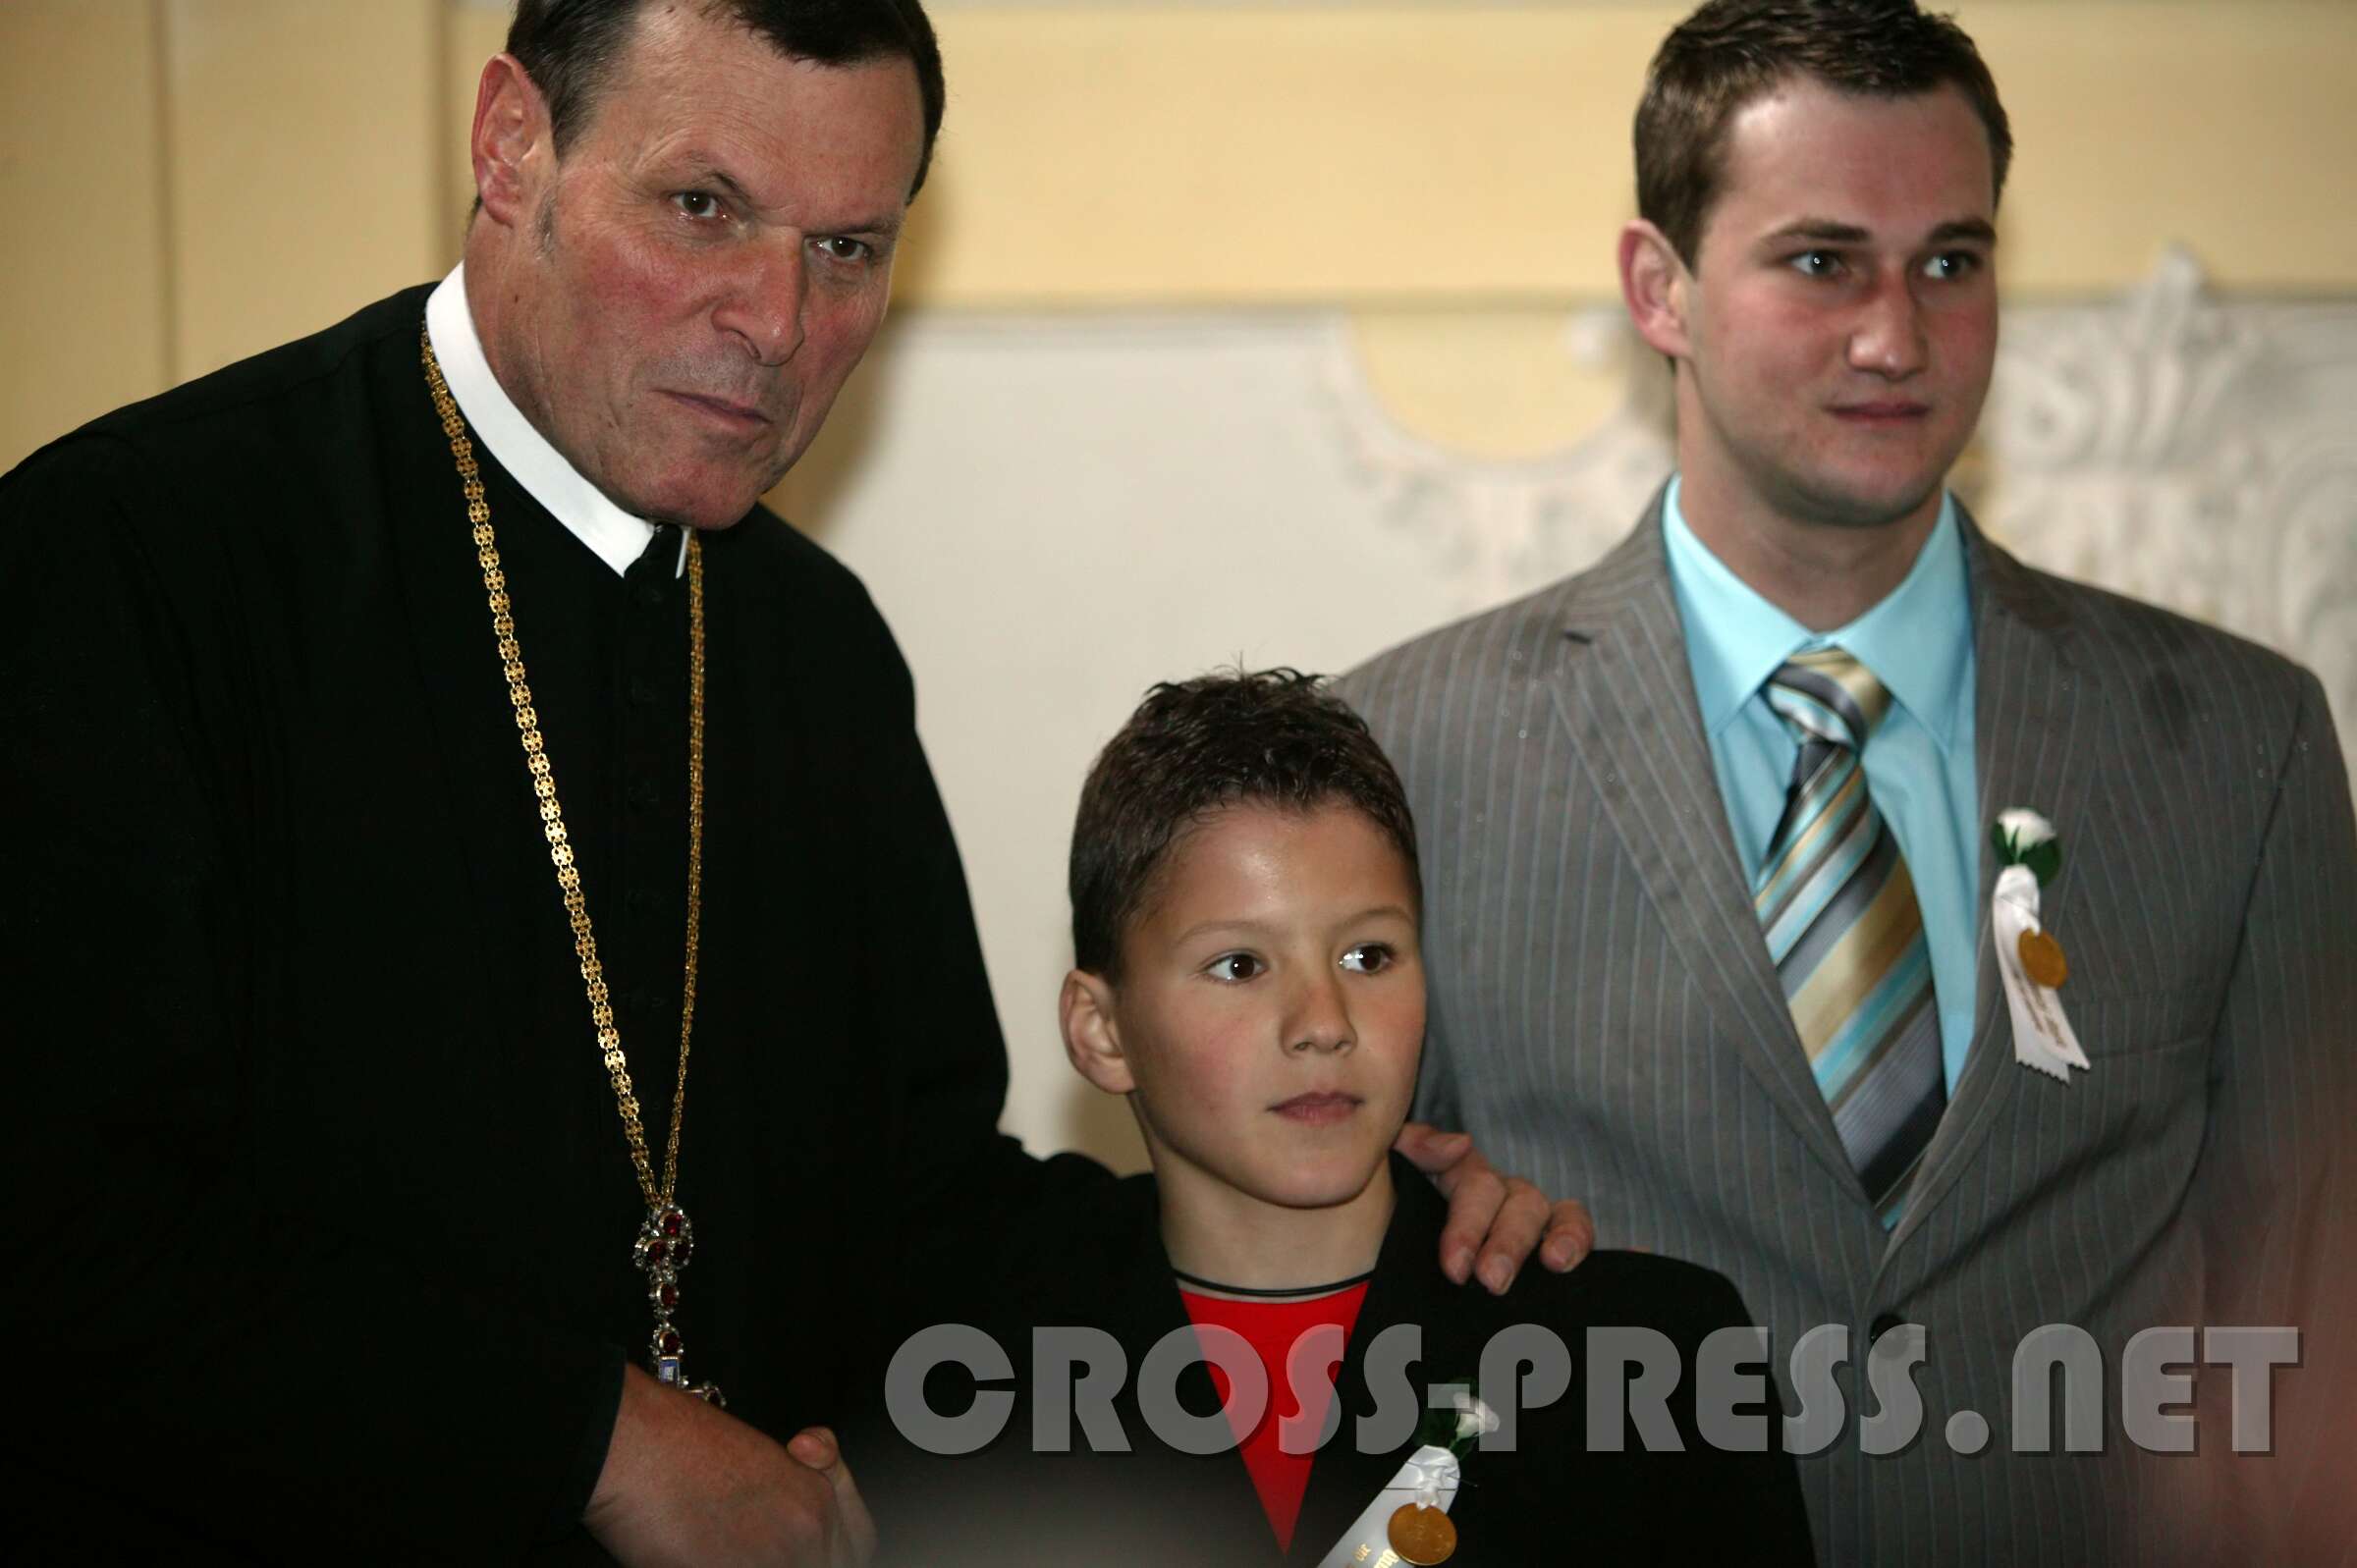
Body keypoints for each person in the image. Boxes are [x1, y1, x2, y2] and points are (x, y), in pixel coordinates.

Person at [0, 3, 1586, 1563]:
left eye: (847, 248)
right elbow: (61, 1226)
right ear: (511, 146)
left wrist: (1328, 1206)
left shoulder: (812, 646)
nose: (774, 318)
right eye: (703, 207)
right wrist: (589, 1439)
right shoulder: (130, 561)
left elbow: (925, 1219)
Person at [1336, 1, 2357, 1562]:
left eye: (1950, 262)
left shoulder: (2241, 745)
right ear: (1658, 288)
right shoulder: (1406, 755)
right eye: (1822, 262)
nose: (1896, 337)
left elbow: (2313, 1327)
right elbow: (1334, 1324)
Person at [868, 670, 1814, 1566]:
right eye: (1240, 965)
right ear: (1102, 1030)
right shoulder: (973, 1368)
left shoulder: (1647, 1355)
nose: (1324, 1021)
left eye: (1369, 956)